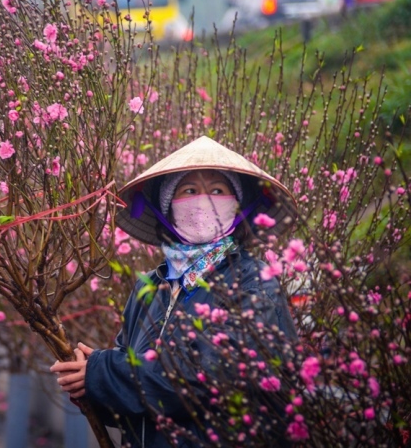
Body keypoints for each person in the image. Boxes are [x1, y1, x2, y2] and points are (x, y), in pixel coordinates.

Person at [51, 136, 299, 447]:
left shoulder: (253, 283)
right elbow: (138, 404)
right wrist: (92, 384)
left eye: (218, 190)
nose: (204, 200)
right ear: (167, 207)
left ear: (238, 206)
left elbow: (213, 379)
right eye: (190, 191)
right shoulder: (150, 288)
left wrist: (107, 372)